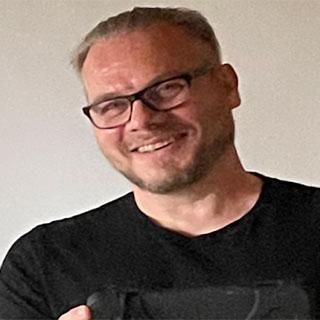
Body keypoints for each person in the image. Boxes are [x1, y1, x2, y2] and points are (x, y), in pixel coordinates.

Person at [0, 6, 319, 320]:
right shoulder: (44, 263)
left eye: (167, 89)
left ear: (227, 85)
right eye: (111, 105)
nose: (141, 121)